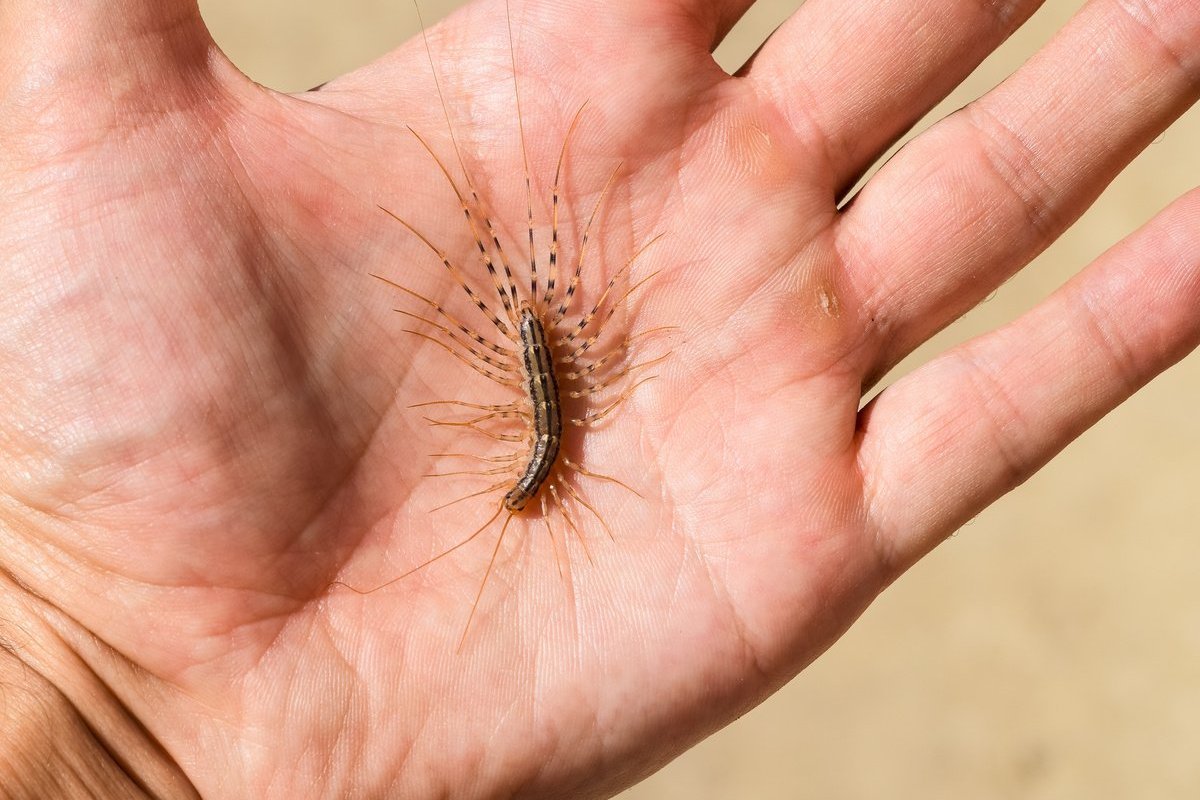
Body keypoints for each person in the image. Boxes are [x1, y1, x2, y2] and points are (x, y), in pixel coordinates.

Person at [1, 0, 1197, 796]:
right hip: (540, 351)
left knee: (533, 313)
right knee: (534, 319)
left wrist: (89, 678)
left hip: (543, 349)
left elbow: (552, 420)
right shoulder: (537, 456)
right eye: (532, 489)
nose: (535, 483)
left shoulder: (546, 452)